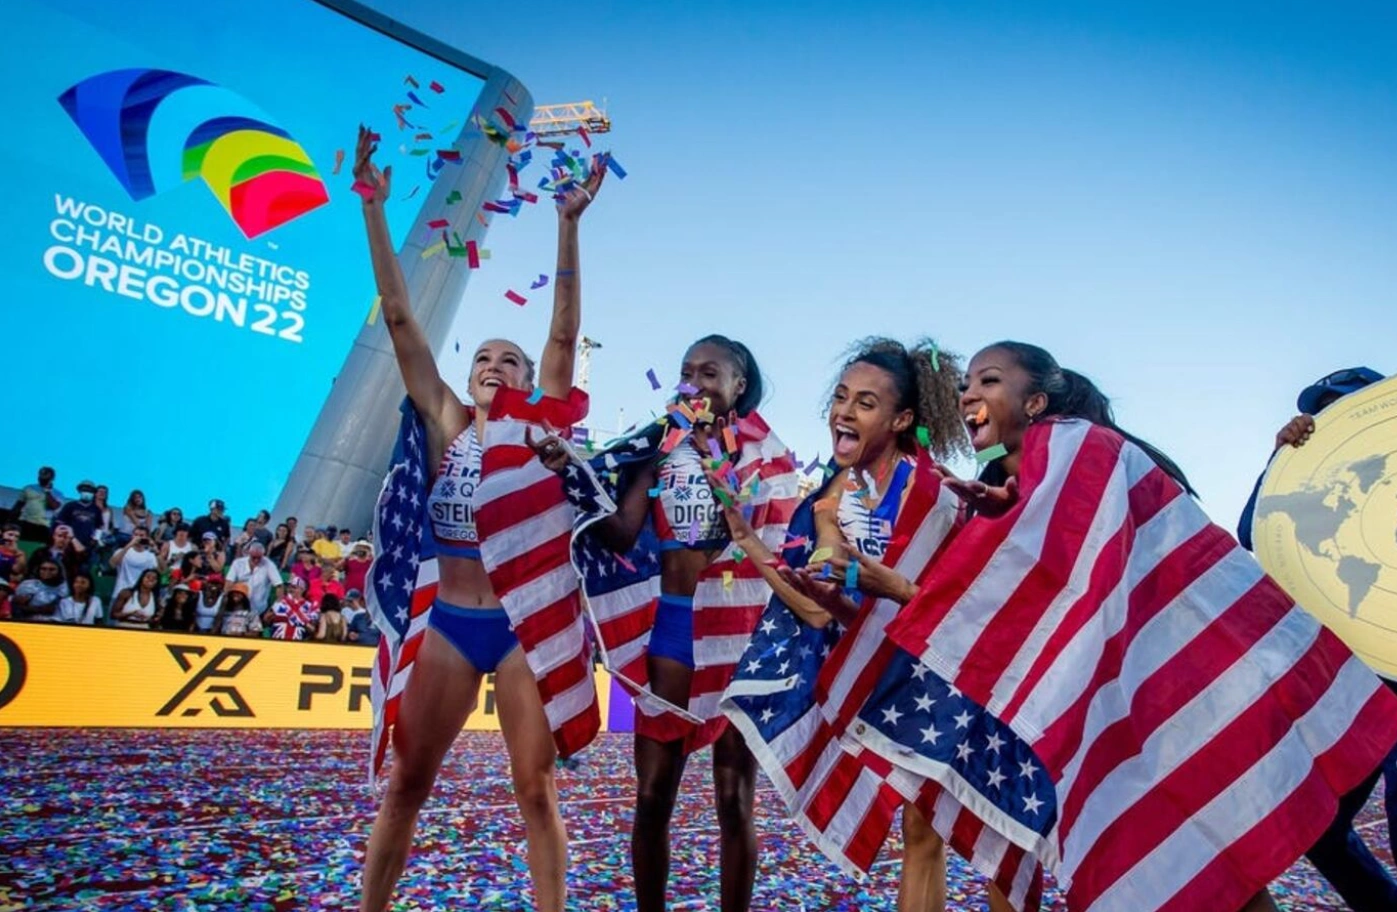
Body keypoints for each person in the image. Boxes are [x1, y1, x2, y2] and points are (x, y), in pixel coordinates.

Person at [831, 342, 1397, 912]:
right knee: (1205, 868)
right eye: (966, 384)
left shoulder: (1084, 451)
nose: (968, 394)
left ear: (1036, 403)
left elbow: (1055, 598)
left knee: (1198, 863)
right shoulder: (1041, 475)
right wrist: (1005, 512)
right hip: (1138, 703)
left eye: (989, 380)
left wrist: (904, 588)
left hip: (1165, 698)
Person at [352, 123, 607, 912]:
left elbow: (562, 330)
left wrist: (567, 224)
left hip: (527, 628)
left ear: (531, 381)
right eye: (483, 359)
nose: (495, 366)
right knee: (408, 784)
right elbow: (400, 319)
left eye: (511, 361)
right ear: (467, 380)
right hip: (450, 625)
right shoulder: (448, 424)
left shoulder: (540, 429)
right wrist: (372, 209)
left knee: (535, 791)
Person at [718, 338, 971, 912]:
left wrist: (875, 586)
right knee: (916, 834)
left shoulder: (936, 497)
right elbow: (814, 609)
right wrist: (749, 541)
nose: (844, 412)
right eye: (840, 397)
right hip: (863, 667)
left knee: (923, 833)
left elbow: (945, 608)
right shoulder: (829, 497)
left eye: (865, 402)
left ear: (901, 419)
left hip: (925, 674)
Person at [564, 333, 798, 912]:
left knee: (734, 800)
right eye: (687, 372)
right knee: (651, 797)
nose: (694, 383)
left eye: (709, 373)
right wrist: (571, 476)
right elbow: (622, 533)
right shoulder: (660, 449)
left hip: (737, 640)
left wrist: (723, 473)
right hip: (671, 635)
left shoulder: (763, 461)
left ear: (739, 386)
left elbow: (768, 539)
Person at [1239, 366, 1397, 912]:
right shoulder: (1326, 503)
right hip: (1355, 687)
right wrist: (1279, 463)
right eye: (1322, 414)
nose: (1328, 421)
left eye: (1346, 409)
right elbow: (1253, 532)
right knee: (1317, 823)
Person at [225, 541, 285, 617]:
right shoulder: (238, 563)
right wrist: (226, 600)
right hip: (238, 607)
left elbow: (279, 585)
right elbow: (229, 582)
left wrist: (275, 606)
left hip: (259, 609)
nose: (256, 560)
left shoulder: (269, 564)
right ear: (248, 554)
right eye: (253, 557)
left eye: (259, 558)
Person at [12, 466, 64, 542]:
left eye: (46, 476)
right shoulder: (29, 488)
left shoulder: (58, 493)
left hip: (43, 525)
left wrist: (47, 491)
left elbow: (54, 506)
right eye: (41, 475)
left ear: (52, 478)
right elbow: (19, 505)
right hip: (25, 522)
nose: (43, 478)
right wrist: (11, 520)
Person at [110, 527, 161, 600]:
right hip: (120, 592)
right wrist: (130, 544)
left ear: (147, 538)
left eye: (141, 535)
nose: (138, 537)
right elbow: (112, 564)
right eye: (136, 535)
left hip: (138, 596)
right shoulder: (121, 551)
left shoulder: (150, 556)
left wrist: (156, 550)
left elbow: (160, 571)